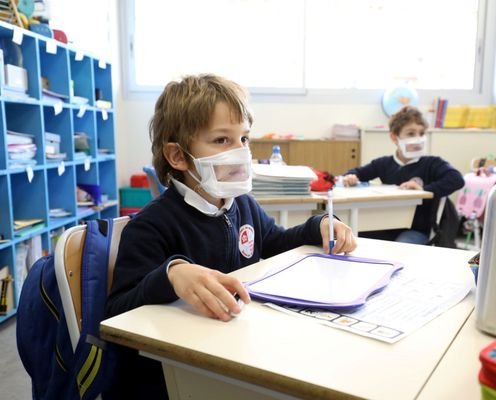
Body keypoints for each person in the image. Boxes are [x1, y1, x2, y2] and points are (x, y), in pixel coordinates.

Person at [104, 74, 357, 398]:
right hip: (173, 373)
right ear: (178, 156)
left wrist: (319, 225)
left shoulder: (242, 206)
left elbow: (276, 241)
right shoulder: (152, 225)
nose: (239, 152)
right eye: (222, 140)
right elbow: (116, 313)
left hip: (231, 348)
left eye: (244, 139)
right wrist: (171, 274)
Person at [342, 106, 464, 245]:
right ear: (394, 137)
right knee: (356, 236)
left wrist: (424, 189)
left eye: (421, 133)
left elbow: (456, 179)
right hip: (386, 225)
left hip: (418, 229)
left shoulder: (432, 163)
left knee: (402, 245)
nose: (418, 139)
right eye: (411, 134)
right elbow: (356, 173)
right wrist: (351, 177)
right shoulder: (384, 163)